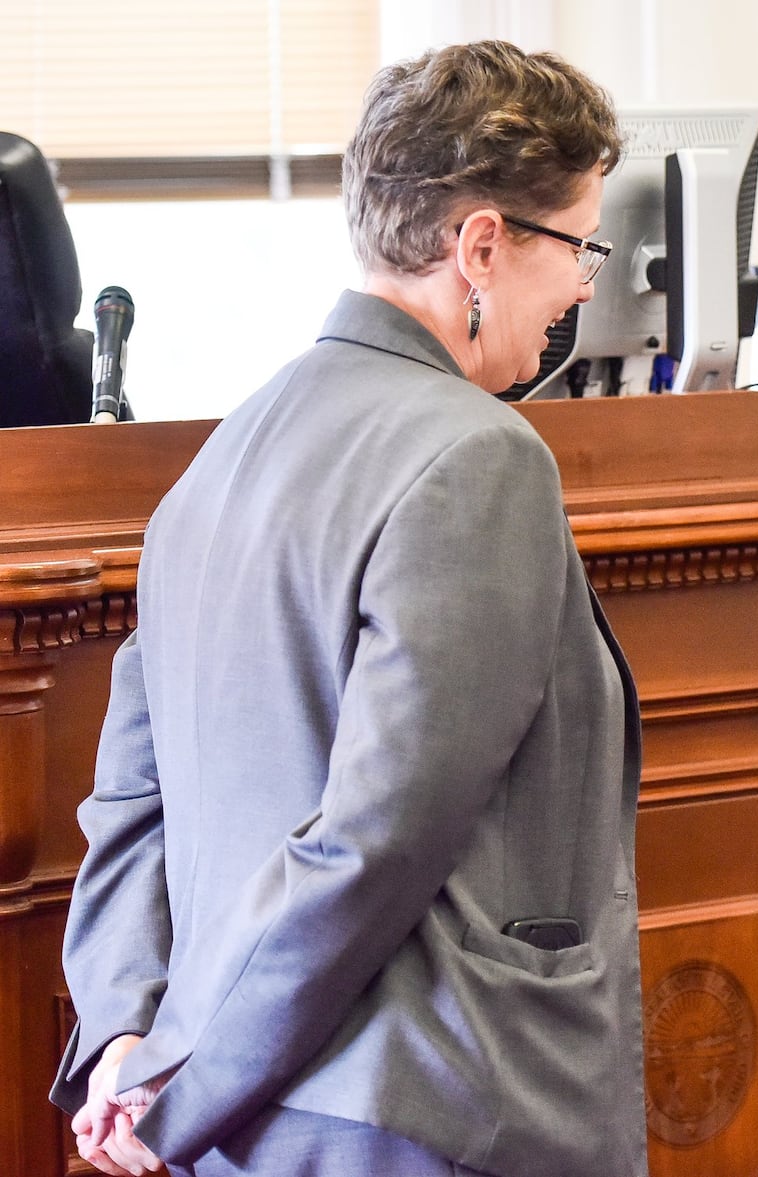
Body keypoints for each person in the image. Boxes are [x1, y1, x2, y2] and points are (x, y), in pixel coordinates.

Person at [50, 41, 647, 1177]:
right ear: (481, 245)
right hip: (425, 1113)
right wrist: (180, 1086)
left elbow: (129, 800)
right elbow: (374, 843)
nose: (584, 287)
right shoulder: (481, 455)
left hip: (247, 1123)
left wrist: (136, 1040)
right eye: (581, 245)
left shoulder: (222, 453)